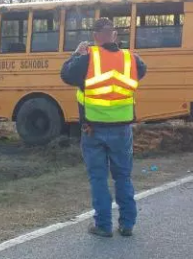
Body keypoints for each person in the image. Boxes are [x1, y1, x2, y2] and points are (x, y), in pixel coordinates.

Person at [60, 17, 147, 238]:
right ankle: (127, 224)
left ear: (95, 36)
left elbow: (66, 75)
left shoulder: (87, 58)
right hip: (121, 129)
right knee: (123, 177)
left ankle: (103, 225)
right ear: (115, 35)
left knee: (99, 178)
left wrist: (77, 54)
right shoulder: (131, 59)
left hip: (93, 129)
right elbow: (142, 70)